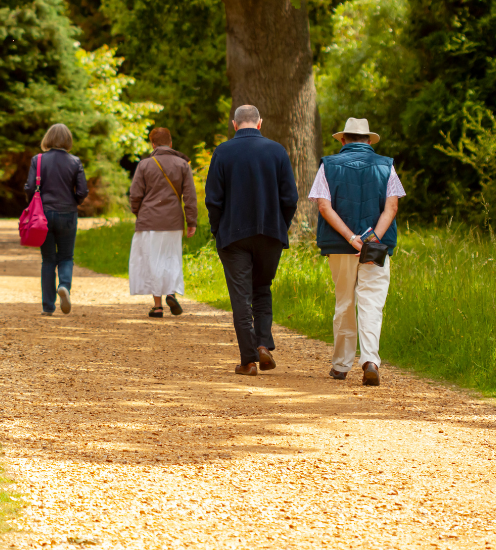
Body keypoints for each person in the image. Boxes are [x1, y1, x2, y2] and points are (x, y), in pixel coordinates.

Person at [308, 117, 405, 386]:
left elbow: (324, 207)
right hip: (377, 246)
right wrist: (372, 238)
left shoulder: (328, 165)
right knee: (372, 302)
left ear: (343, 139)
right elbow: (392, 208)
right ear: (368, 141)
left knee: (345, 303)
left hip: (341, 246)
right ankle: (370, 360)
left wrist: (352, 238)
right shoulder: (387, 166)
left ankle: (340, 365)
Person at [205, 105, 299, 376]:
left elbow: (213, 199)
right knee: (262, 288)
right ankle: (262, 344)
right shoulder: (277, 151)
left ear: (235, 125)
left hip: (233, 235)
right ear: (260, 123)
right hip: (270, 233)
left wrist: (217, 231)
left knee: (240, 296)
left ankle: (248, 360)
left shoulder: (222, 152)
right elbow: (290, 198)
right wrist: (281, 226)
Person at [128, 128, 198, 318]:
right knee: (171, 257)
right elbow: (190, 197)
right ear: (171, 143)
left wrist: (139, 213)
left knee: (152, 261)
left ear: (153, 144)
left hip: (149, 220)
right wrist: (191, 220)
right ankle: (171, 293)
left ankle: (157, 306)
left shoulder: (144, 165)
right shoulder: (183, 164)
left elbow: (135, 195)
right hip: (173, 222)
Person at [24, 123, 89, 316]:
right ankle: (64, 287)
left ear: (48, 139)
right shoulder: (75, 161)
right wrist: (74, 201)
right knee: (66, 256)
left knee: (48, 260)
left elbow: (29, 187)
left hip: (43, 214)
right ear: (68, 141)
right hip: (68, 213)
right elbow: (83, 190)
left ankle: (47, 306)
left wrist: (32, 204)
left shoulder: (39, 159)